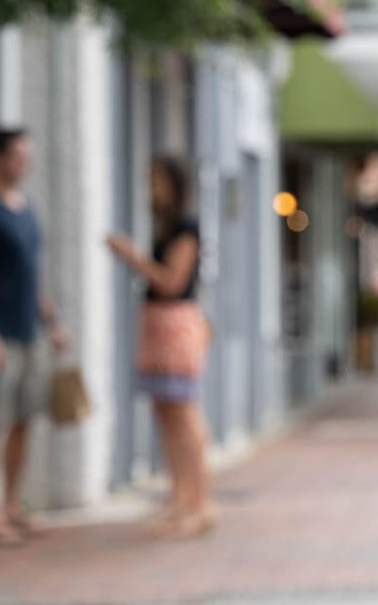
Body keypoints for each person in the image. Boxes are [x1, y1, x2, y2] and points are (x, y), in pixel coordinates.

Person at [0, 127, 68, 546]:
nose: (26, 163)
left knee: (24, 420)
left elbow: (30, 275)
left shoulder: (25, 209)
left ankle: (12, 507)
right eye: (18, 156)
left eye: (27, 155)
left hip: (29, 332)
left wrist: (52, 324)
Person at [106, 157, 215, 538]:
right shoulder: (167, 225)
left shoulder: (186, 227)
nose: (150, 187)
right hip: (158, 326)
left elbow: (172, 281)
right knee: (166, 416)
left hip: (176, 327)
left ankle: (199, 504)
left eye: (155, 180)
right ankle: (180, 498)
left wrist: (132, 257)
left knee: (185, 417)